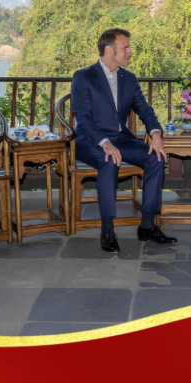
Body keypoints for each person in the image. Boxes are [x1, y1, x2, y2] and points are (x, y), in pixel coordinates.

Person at [71, 28, 177, 252]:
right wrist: (104, 143)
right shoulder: (83, 76)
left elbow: (144, 109)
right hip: (90, 141)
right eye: (125, 48)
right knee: (109, 160)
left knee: (156, 158)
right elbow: (83, 117)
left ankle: (148, 225)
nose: (130, 52)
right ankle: (108, 230)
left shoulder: (128, 78)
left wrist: (155, 134)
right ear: (109, 50)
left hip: (121, 139)